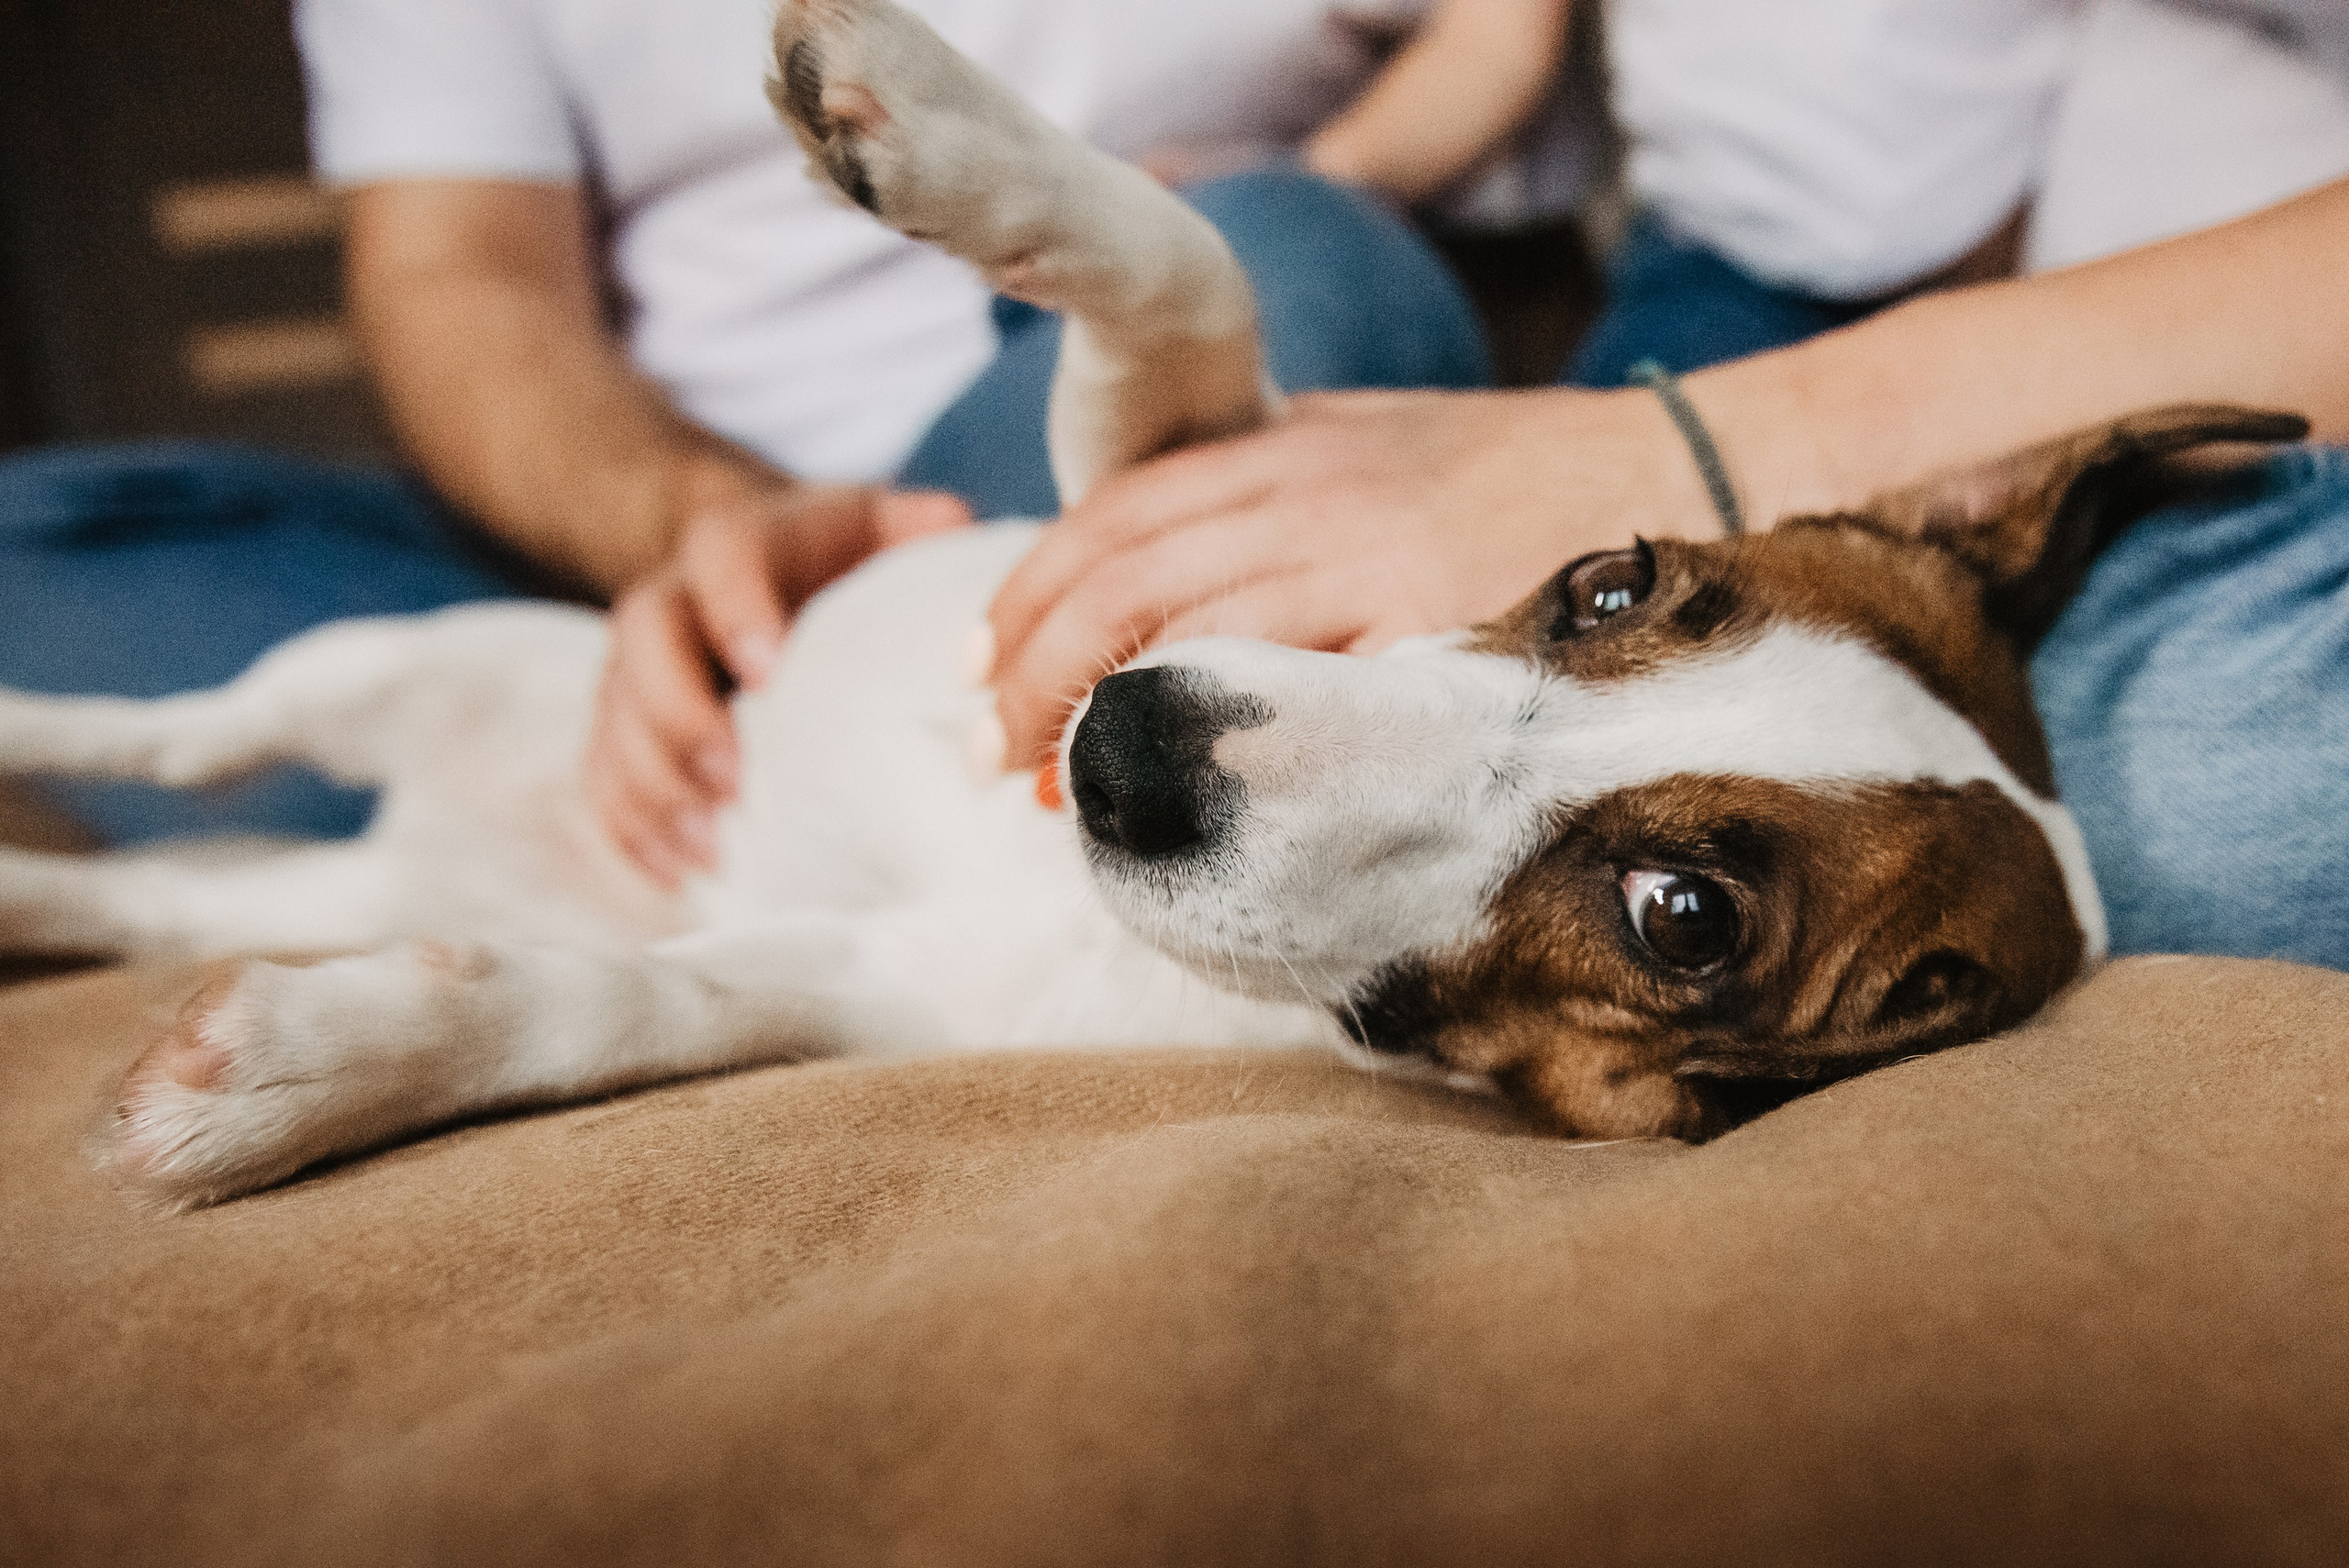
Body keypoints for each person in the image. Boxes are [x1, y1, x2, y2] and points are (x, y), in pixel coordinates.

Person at [0, 0, 1501, 872]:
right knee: (33, 555)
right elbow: (460, 275)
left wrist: (1345, 166)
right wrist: (702, 527)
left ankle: (701, 758)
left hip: (1092, 448)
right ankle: (738, 713)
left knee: (1291, 257)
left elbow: (1501, 40)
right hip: (631, 520)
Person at [979, 172, 2349, 965]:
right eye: (1608, 591)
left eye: (1682, 914)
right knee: (1289, 240)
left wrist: (1713, 450)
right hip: (1759, 269)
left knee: (2227, 791)